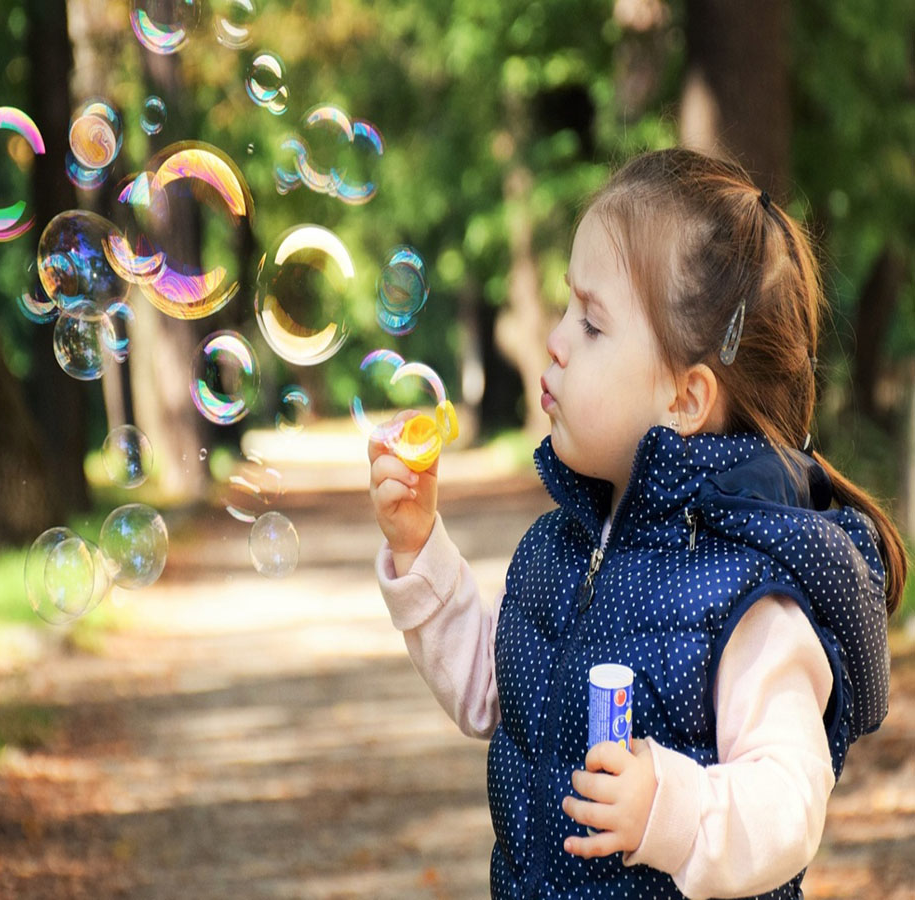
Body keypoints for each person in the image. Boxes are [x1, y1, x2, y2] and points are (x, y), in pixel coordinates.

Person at [367, 147, 907, 900]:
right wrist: (420, 547)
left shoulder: (747, 590)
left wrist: (673, 808)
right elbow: (496, 692)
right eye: (565, 306)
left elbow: (789, 801)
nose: (553, 339)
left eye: (591, 323)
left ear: (685, 400)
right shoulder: (561, 547)